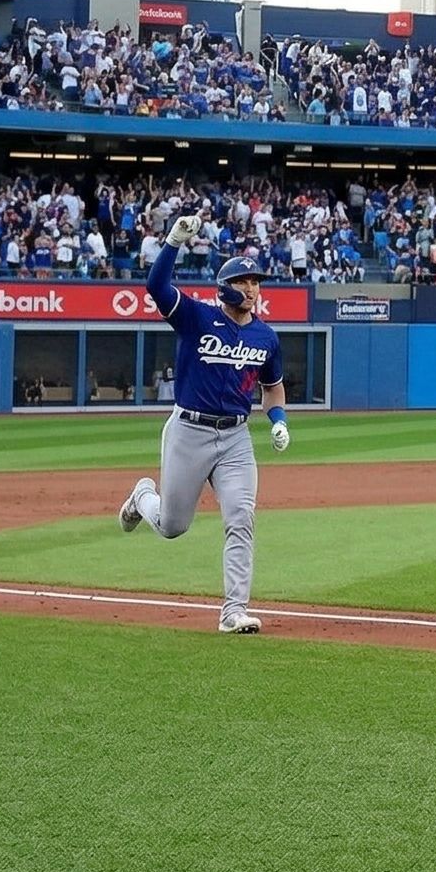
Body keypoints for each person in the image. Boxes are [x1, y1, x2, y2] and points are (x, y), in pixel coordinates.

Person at [115, 214, 287, 634]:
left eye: (257, 282)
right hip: (188, 431)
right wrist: (173, 241)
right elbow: (156, 287)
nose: (252, 288)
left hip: (236, 438)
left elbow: (272, 390)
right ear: (226, 286)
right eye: (245, 281)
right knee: (173, 526)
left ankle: (233, 611)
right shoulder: (197, 317)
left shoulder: (266, 337)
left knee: (241, 517)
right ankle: (142, 498)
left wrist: (279, 420)